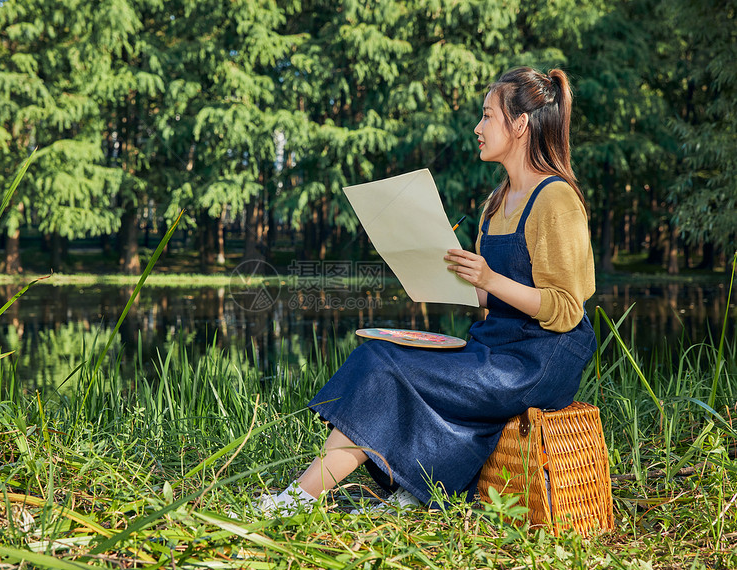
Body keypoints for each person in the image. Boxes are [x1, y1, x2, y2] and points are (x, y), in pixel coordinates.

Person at [248, 66, 597, 516]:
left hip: (539, 361)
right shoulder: (497, 202)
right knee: (382, 354)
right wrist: (443, 279)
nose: (477, 127)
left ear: (520, 124)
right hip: (496, 345)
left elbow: (566, 310)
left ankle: (293, 501)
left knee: (380, 364)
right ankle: (405, 490)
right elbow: (495, 299)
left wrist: (488, 279)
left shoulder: (556, 199)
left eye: (487, 115)